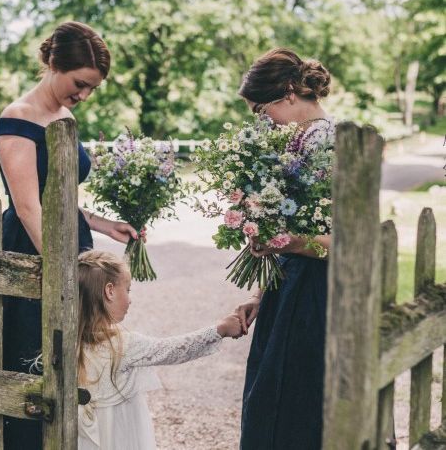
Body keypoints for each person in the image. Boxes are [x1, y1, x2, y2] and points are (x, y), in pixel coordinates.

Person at [0, 21, 141, 449]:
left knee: (69, 359)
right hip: (32, 245)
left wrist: (100, 224)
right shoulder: (17, 119)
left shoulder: (65, 115)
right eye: (80, 84)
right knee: (28, 356)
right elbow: (28, 206)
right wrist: (65, 272)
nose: (84, 95)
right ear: (53, 64)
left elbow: (60, 194)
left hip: (70, 243)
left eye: (92, 89)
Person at [235, 47, 335, 450]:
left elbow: (341, 243)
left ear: (290, 93)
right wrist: (260, 294)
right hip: (288, 285)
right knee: (269, 395)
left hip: (318, 294)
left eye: (263, 110)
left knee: (298, 402)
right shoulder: (295, 142)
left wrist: (282, 239)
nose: (263, 122)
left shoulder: (330, 143)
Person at [77, 250, 243, 450]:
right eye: (128, 290)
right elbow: (173, 350)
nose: (130, 299)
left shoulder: (70, 342)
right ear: (109, 291)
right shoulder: (123, 345)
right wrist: (219, 330)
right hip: (120, 437)